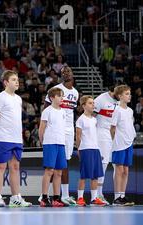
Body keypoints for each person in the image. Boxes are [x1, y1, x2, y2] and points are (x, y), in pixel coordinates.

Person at [0, 70, 32, 207]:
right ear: (6, 82)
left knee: (15, 167)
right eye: (14, 79)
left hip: (16, 139)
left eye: (17, 79)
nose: (17, 81)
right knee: (1, 166)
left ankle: (15, 197)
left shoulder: (18, 99)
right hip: (3, 137)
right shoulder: (1, 97)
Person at [44, 66, 79, 206]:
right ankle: (48, 195)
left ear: (72, 73)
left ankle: (64, 195)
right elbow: (46, 109)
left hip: (70, 129)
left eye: (68, 71)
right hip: (56, 130)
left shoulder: (75, 93)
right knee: (55, 165)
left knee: (65, 162)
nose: (66, 73)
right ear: (60, 75)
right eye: (63, 72)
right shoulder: (56, 90)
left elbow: (71, 113)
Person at [75, 96, 107, 206]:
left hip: (95, 149)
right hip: (85, 149)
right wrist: (79, 150)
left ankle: (94, 199)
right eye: (90, 103)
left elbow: (94, 136)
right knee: (84, 175)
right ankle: (80, 198)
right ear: (83, 105)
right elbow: (78, 136)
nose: (93, 105)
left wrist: (98, 150)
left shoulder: (94, 120)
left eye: (93, 103)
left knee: (95, 176)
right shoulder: (80, 120)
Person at [38, 87, 67, 207]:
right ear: (52, 98)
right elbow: (41, 129)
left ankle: (56, 198)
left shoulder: (63, 112)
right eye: (59, 96)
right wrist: (43, 143)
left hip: (61, 143)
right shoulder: (47, 111)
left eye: (62, 96)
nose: (62, 98)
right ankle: (44, 197)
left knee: (59, 172)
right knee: (49, 171)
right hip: (50, 143)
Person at [111, 85, 136, 206]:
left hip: (129, 143)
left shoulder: (130, 111)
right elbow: (113, 128)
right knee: (119, 170)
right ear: (120, 96)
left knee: (126, 170)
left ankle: (122, 195)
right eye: (126, 93)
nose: (129, 95)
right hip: (119, 144)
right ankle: (116, 197)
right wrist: (113, 142)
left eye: (129, 93)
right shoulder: (117, 110)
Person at [93, 86, 117, 204]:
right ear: (112, 91)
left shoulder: (120, 101)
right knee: (103, 163)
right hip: (102, 134)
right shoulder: (101, 99)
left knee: (116, 165)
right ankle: (98, 194)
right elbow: (90, 116)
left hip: (116, 136)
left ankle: (118, 196)